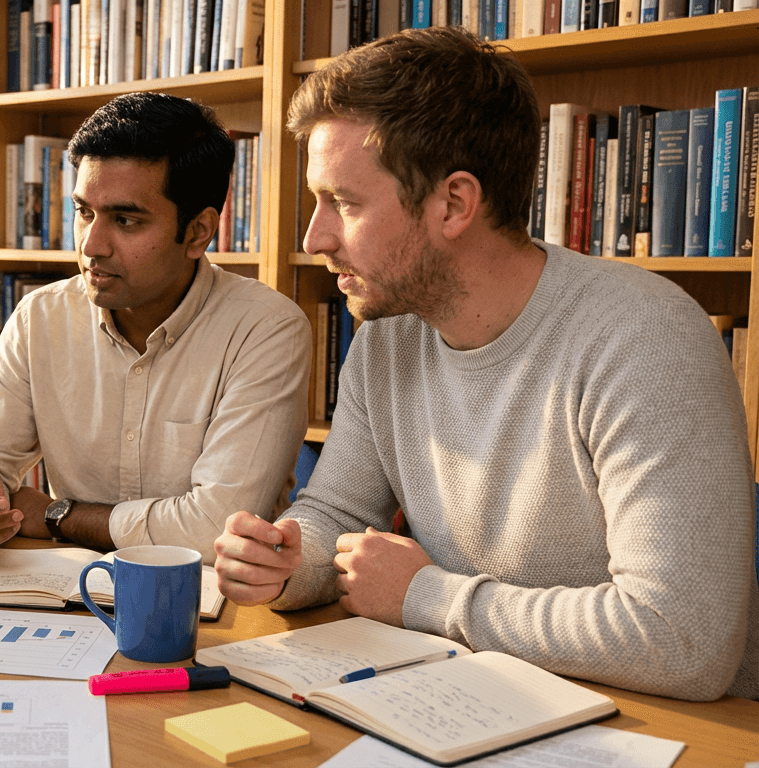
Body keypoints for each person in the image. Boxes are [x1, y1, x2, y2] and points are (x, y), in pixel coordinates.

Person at [213, 26, 757, 701]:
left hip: (664, 731)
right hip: (476, 701)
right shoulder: (387, 335)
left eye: (344, 203)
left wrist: (427, 597)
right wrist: (290, 558)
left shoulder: (645, 338)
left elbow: (683, 640)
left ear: (454, 203)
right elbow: (337, 510)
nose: (314, 237)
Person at [0, 92, 310, 561]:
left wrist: (57, 515)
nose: (92, 245)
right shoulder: (39, 318)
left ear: (198, 232)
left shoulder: (265, 329)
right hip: (64, 601)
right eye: (83, 211)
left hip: (214, 613)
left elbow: (216, 528)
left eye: (125, 220)